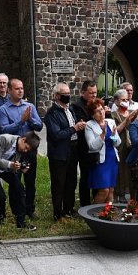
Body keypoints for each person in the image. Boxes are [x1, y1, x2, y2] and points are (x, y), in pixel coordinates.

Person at [0, 78, 43, 219]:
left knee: (30, 181)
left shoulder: (29, 106)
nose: (20, 91)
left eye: (22, 88)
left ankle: (30, 209)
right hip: (14, 150)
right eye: (17, 88)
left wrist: (30, 120)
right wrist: (21, 121)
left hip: (29, 150)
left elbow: (39, 126)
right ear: (9, 90)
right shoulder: (3, 109)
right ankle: (17, 210)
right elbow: (4, 129)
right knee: (15, 182)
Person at [45, 83, 86, 222]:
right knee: (59, 183)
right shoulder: (52, 113)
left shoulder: (70, 109)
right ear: (57, 96)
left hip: (73, 148)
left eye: (69, 93)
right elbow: (56, 134)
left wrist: (78, 125)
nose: (68, 96)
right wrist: (74, 128)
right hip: (59, 152)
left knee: (71, 181)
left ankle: (69, 208)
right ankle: (58, 213)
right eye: (65, 93)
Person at [0, 132, 40, 230]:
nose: (25, 151)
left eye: (27, 150)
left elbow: (12, 167)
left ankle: (21, 221)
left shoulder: (19, 150)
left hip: (3, 168)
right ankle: (1, 218)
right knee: (0, 195)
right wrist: (11, 165)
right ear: (23, 139)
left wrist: (19, 168)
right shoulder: (4, 139)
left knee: (19, 187)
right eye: (26, 147)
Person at [85, 98, 120, 204]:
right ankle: (93, 214)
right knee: (103, 190)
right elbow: (92, 146)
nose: (101, 112)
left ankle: (108, 214)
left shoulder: (110, 122)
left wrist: (113, 135)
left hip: (112, 158)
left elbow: (118, 143)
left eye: (102, 109)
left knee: (111, 190)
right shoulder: (89, 125)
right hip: (100, 161)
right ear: (92, 115)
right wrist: (103, 134)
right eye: (97, 111)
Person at [70, 81, 99, 209]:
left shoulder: (97, 104)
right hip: (84, 147)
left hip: (97, 145)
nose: (94, 95)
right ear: (83, 93)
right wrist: (96, 117)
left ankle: (97, 199)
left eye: (95, 93)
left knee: (96, 173)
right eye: (91, 93)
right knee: (85, 176)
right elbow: (82, 122)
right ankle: (85, 204)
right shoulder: (77, 106)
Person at [111, 88, 138, 201]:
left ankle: (133, 199)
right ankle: (117, 197)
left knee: (132, 172)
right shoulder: (113, 114)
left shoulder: (133, 113)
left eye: (127, 99)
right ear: (117, 101)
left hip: (131, 147)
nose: (125, 102)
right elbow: (115, 131)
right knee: (120, 172)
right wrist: (126, 120)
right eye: (123, 99)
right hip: (120, 147)